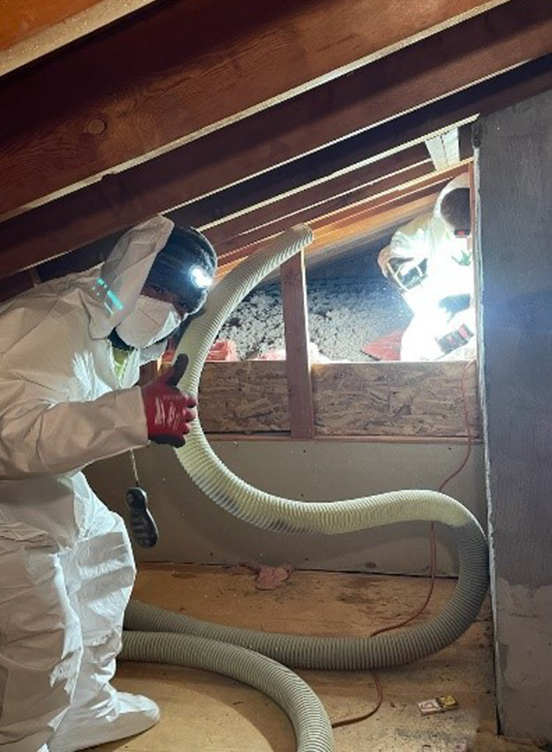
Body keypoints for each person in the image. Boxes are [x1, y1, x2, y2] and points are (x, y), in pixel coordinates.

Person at [0, 215, 217, 751]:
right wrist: (133, 416)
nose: (168, 312)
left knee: (104, 556)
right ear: (126, 275)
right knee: (41, 633)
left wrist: (135, 410)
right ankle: (22, 741)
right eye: (159, 291)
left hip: (37, 483)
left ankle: (85, 709)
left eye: (183, 307)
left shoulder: (113, 325)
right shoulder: (43, 324)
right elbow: (12, 436)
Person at [378, 174, 475, 361]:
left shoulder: (502, 232)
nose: (465, 242)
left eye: (467, 235)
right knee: (418, 349)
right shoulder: (434, 225)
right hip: (440, 293)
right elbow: (397, 249)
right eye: (459, 235)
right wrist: (394, 263)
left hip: (481, 301)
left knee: (469, 348)